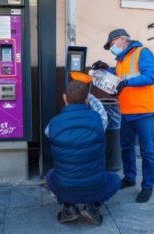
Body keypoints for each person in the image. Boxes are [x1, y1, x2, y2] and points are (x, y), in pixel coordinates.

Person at [93, 28, 154, 203]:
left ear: (122, 39)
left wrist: (125, 83)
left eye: (112, 44)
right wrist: (106, 68)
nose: (111, 48)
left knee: (148, 152)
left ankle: (147, 186)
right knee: (126, 148)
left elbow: (150, 77)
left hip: (144, 111)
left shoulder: (142, 53)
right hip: (127, 111)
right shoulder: (122, 60)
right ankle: (129, 178)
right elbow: (118, 77)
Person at [45, 76, 120, 225]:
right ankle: (92, 207)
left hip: (66, 188)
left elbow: (49, 134)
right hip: (94, 188)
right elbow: (100, 109)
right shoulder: (99, 121)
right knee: (115, 180)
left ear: (64, 98)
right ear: (87, 100)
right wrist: (87, 94)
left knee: (50, 175)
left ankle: (68, 208)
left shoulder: (52, 126)